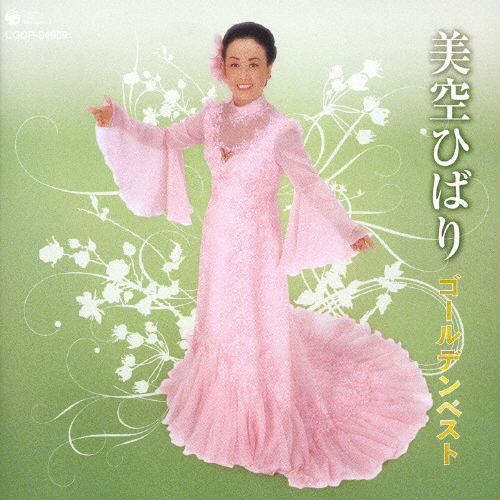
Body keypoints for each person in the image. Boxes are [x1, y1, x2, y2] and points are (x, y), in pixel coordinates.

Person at [88, 22, 432, 489]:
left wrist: (347, 229)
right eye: (235, 64)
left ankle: (263, 412)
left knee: (257, 322)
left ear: (269, 69)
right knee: (220, 318)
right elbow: (167, 139)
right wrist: (119, 122)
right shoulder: (211, 117)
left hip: (257, 246)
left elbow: (310, 184)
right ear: (222, 68)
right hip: (217, 240)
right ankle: (221, 397)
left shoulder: (279, 129)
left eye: (254, 64)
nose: (244, 74)